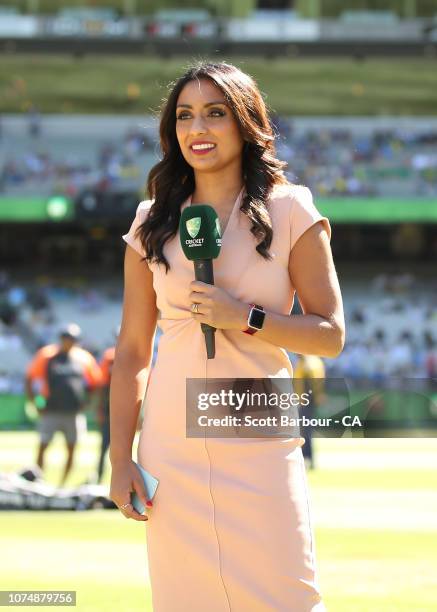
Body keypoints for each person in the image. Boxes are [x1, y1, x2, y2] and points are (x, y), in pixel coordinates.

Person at [110, 61, 345, 611]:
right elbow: (131, 352)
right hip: (172, 441)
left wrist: (245, 316)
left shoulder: (290, 209)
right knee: (185, 597)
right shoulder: (150, 223)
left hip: (257, 423)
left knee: (288, 595)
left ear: (245, 123)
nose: (199, 129)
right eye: (185, 116)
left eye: (216, 113)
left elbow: (330, 335)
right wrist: (120, 458)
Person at [25, 323, 103, 487]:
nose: (69, 341)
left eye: (72, 338)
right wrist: (36, 403)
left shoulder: (83, 358)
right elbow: (31, 378)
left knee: (72, 448)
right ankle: (37, 482)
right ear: (60, 338)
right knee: (43, 446)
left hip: (73, 412)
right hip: (50, 411)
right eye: (66, 338)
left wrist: (88, 403)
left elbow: (96, 382)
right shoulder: (47, 355)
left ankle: (62, 485)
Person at [293, 354, 326, 470]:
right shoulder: (314, 361)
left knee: (305, 431)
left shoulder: (307, 363)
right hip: (307, 401)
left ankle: (307, 458)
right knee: (306, 431)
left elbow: (309, 385)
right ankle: (308, 458)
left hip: (306, 401)